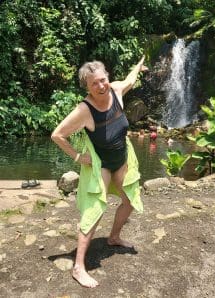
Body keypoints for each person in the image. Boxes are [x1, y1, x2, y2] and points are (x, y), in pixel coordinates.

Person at [51, 56, 148, 288]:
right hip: (102, 164)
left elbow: (129, 80)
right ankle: (78, 267)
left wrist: (138, 67)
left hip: (121, 159)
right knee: (95, 210)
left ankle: (114, 237)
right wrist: (77, 156)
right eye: (94, 83)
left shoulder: (116, 90)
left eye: (103, 80)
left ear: (107, 77)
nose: (101, 86)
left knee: (129, 201)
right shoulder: (84, 110)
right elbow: (57, 135)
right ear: (87, 86)